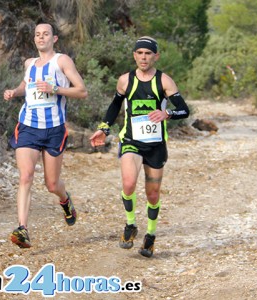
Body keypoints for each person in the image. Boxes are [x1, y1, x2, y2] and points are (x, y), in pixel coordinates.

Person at [90, 36, 189, 257]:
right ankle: (130, 224)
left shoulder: (164, 81)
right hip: (131, 141)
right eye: (140, 53)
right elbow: (115, 105)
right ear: (134, 55)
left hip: (155, 145)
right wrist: (104, 128)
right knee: (128, 183)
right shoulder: (125, 80)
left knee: (152, 194)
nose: (144, 57)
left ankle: (151, 236)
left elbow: (184, 109)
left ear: (156, 56)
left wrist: (168, 113)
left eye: (148, 53)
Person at [3, 20, 88, 248]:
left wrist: (56, 89)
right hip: (28, 126)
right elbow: (25, 85)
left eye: (46, 34)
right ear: (35, 39)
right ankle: (23, 229)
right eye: (38, 35)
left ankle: (65, 200)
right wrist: (15, 92)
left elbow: (82, 91)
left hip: (54, 129)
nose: (41, 38)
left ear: (54, 39)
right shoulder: (29, 63)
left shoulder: (62, 61)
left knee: (51, 184)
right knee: (25, 177)